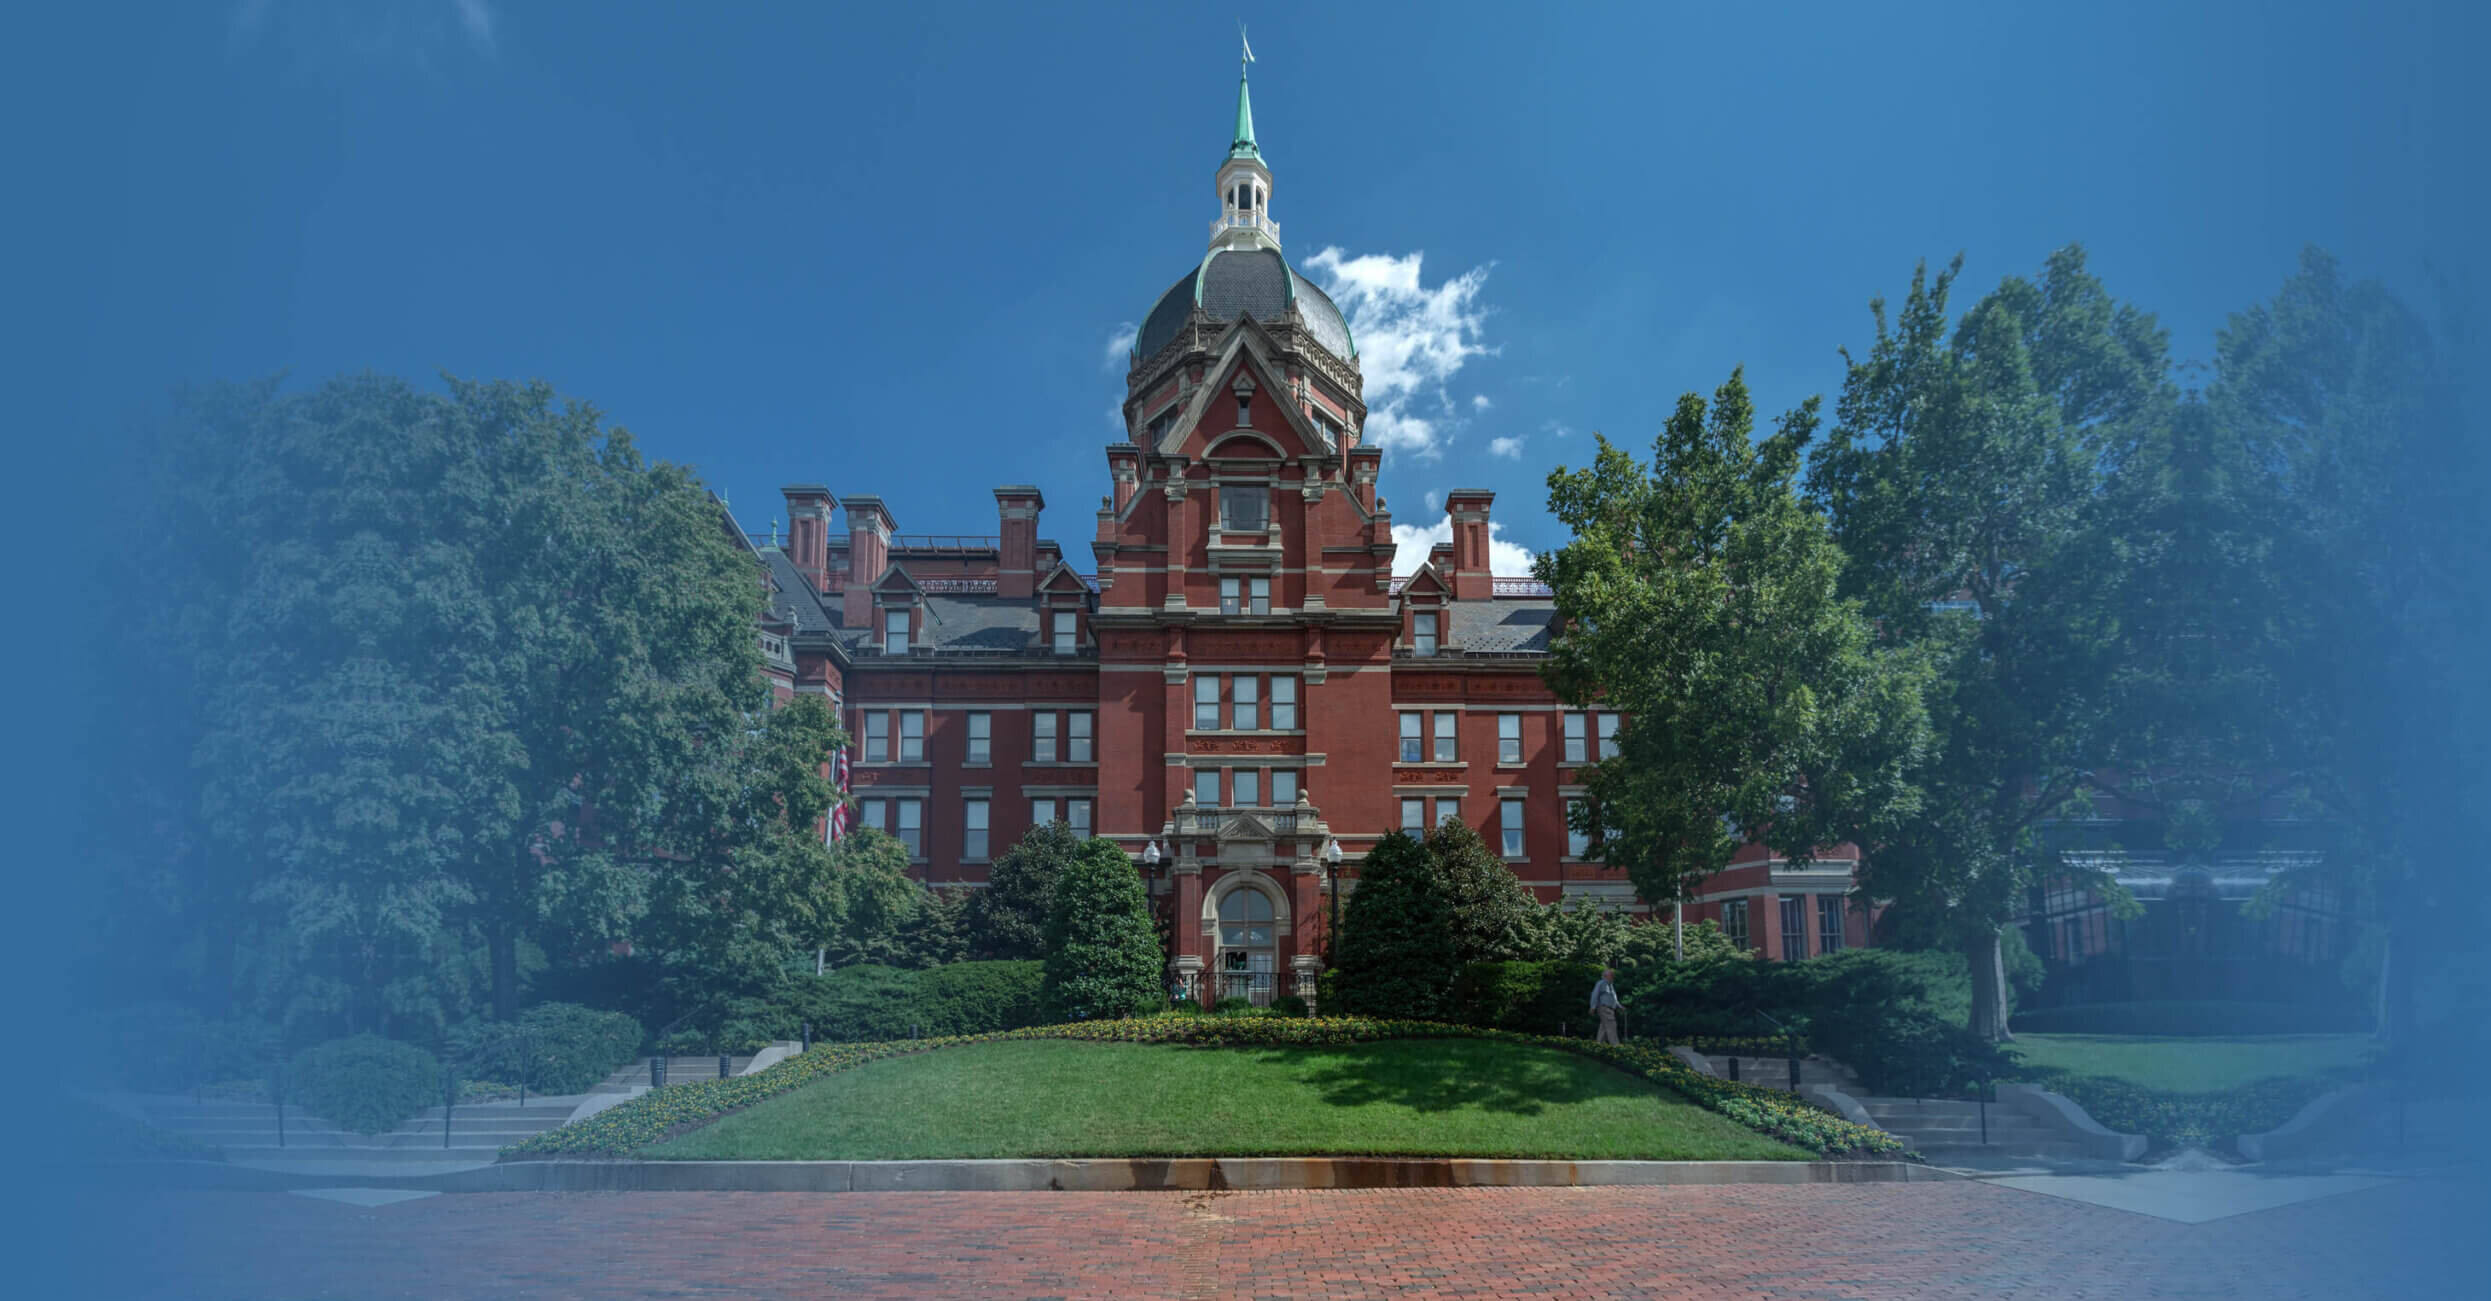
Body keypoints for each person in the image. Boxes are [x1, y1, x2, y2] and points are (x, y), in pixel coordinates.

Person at [1589, 967, 1622, 1044]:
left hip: (1610, 1009)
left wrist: (1619, 1006)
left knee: (1603, 1028)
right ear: (1605, 976)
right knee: (1611, 1026)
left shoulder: (1611, 985)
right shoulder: (1601, 983)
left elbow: (1613, 998)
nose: (1613, 977)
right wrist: (1592, 1007)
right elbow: (1594, 995)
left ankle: (1598, 1046)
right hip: (1604, 1008)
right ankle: (1617, 1048)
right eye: (1611, 975)